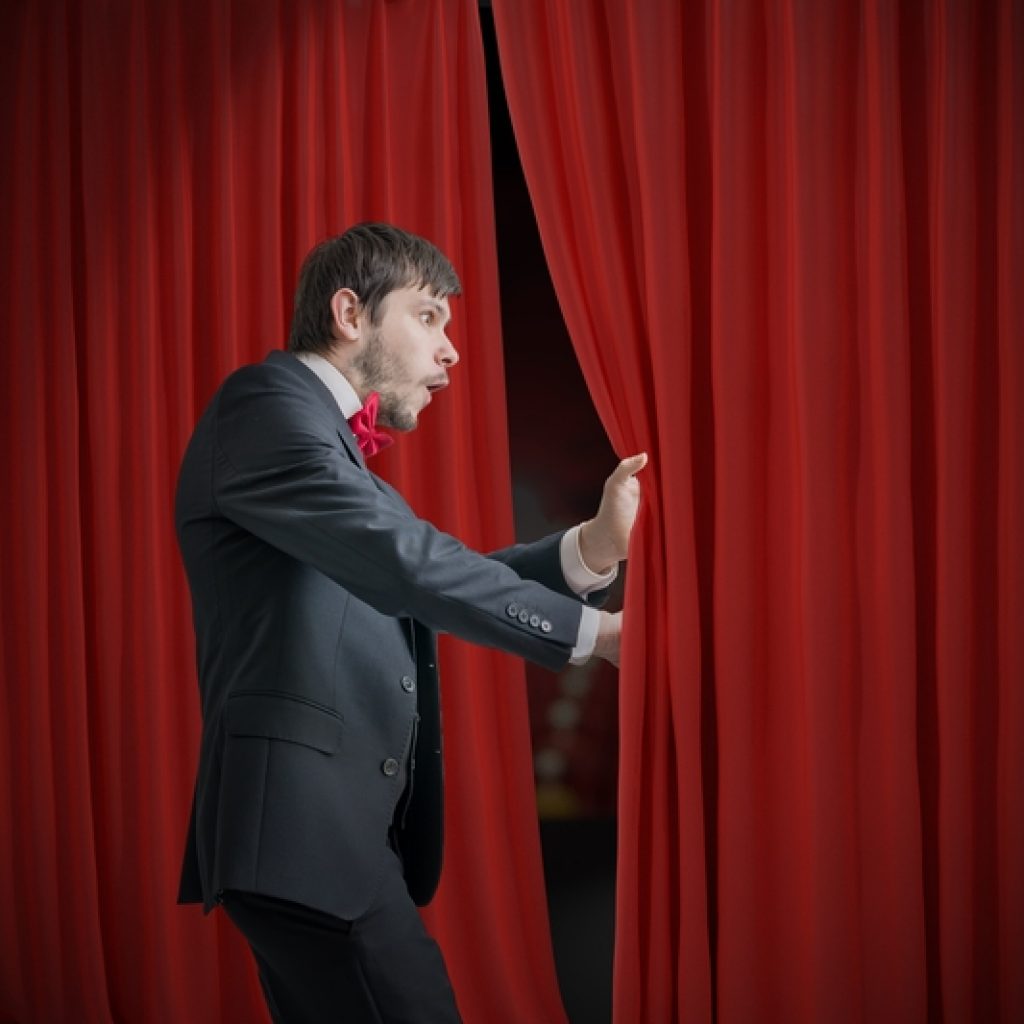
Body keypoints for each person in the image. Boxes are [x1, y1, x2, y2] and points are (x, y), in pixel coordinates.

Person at [174, 222, 646, 1023]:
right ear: (350, 314)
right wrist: (596, 636)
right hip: (306, 835)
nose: (451, 349)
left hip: (321, 841)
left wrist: (591, 549)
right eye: (429, 316)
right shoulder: (265, 407)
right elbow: (410, 566)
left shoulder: (321, 452)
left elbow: (419, 572)